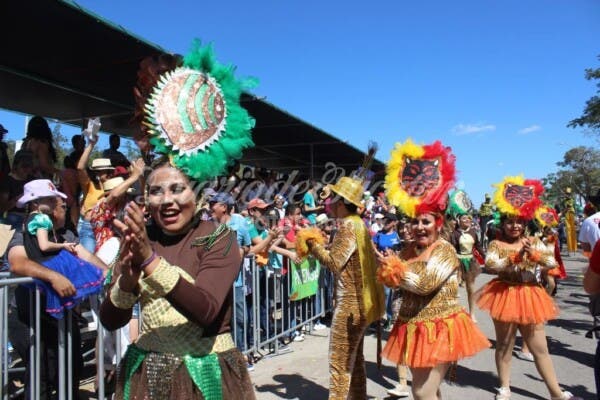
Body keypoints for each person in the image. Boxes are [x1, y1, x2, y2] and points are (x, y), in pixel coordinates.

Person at [99, 42, 257, 399]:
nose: (167, 200)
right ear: (146, 197)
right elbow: (111, 320)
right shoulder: (143, 238)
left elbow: (206, 309)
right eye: (156, 191)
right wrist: (126, 276)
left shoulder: (219, 238)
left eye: (177, 189)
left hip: (206, 376)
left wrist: (150, 261)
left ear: (198, 194)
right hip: (145, 373)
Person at [379, 139, 489, 400]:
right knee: (429, 392)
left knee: (421, 391)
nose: (419, 227)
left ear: (438, 224)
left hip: (440, 329)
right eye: (414, 221)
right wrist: (387, 268)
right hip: (412, 328)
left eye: (425, 222)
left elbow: (424, 282)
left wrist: (395, 269)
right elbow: (397, 284)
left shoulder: (444, 250)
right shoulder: (409, 251)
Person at [476, 175, 582, 400]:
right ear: (502, 223)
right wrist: (515, 257)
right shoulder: (496, 243)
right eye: (510, 221)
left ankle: (555, 392)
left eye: (519, 222)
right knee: (504, 344)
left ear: (525, 223)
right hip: (503, 294)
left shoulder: (534, 241)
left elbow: (552, 263)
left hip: (531, 294)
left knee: (539, 348)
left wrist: (534, 255)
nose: (514, 226)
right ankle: (504, 386)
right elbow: (491, 265)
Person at [297, 144, 385, 400]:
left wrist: (311, 243)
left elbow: (334, 262)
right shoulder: (357, 224)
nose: (328, 203)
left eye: (333, 198)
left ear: (342, 203)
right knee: (354, 363)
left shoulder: (348, 226)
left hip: (349, 306)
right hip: (357, 304)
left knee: (339, 363)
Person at [7, 192, 107, 399]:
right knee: (41, 372)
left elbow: (90, 259)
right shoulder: (25, 231)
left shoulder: (66, 236)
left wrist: (114, 276)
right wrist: (54, 277)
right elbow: (18, 263)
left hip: (62, 317)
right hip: (29, 317)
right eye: (62, 206)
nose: (65, 210)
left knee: (72, 366)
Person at [17, 179, 105, 318]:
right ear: (35, 202)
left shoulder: (27, 221)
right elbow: (44, 245)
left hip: (41, 261)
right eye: (51, 200)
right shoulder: (41, 219)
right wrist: (63, 245)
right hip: (51, 261)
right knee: (84, 272)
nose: (55, 203)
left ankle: (75, 315)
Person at [77, 132, 115, 253]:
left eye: (102, 171)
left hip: (108, 227)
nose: (98, 174)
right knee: (89, 261)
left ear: (109, 172)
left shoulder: (114, 187)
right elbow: (80, 167)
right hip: (89, 227)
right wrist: (91, 145)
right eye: (96, 171)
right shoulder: (90, 185)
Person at [449, 213, 483, 319]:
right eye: (464, 218)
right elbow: (452, 248)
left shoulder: (473, 232)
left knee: (471, 289)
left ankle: (472, 313)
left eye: (469, 218)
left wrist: (486, 256)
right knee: (454, 289)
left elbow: (478, 246)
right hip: (458, 262)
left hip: (470, 262)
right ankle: (453, 313)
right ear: (459, 221)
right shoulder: (454, 233)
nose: (467, 220)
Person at [0, 150, 34, 232]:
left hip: (30, 216)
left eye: (29, 166)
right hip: (13, 216)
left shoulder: (32, 180)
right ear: (16, 165)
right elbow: (2, 208)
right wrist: (19, 198)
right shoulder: (8, 181)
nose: (27, 169)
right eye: (24, 166)